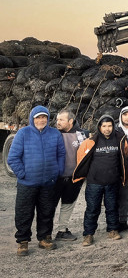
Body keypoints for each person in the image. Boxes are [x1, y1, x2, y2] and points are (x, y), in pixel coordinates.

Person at [8, 105, 65, 256]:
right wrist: (23, 174)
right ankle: (23, 241)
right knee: (24, 212)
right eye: (38, 117)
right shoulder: (23, 133)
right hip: (27, 183)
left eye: (44, 117)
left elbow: (61, 154)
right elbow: (13, 158)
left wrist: (57, 171)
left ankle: (44, 238)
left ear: (48, 118)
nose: (41, 120)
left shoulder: (55, 134)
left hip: (48, 182)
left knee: (46, 211)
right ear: (32, 119)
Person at [73, 115, 128, 246]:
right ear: (99, 127)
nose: (107, 129)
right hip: (94, 182)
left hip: (112, 181)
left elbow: (125, 154)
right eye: (104, 126)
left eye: (109, 126)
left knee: (112, 207)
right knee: (92, 208)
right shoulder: (91, 141)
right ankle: (88, 234)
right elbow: (81, 156)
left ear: (113, 126)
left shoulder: (120, 139)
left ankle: (113, 230)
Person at [53, 109, 89, 241]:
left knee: (68, 204)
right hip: (56, 178)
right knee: (50, 205)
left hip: (74, 178)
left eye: (61, 120)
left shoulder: (82, 135)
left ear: (70, 121)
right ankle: (45, 233)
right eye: (57, 120)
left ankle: (62, 230)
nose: (58, 122)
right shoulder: (53, 134)